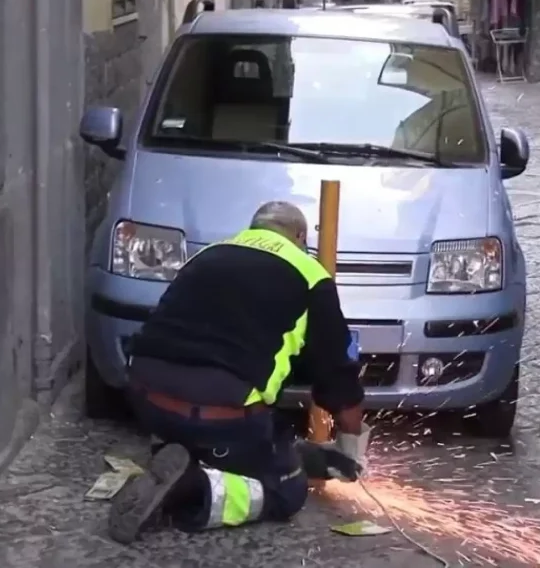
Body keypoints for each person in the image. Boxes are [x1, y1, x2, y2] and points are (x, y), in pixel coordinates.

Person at [108, 201, 369, 544]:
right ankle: (189, 488)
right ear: (300, 236)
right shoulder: (311, 274)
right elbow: (339, 376)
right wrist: (352, 448)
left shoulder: (208, 255)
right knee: (287, 489)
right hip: (218, 417)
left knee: (266, 433)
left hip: (147, 401)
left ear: (254, 228)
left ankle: (180, 452)